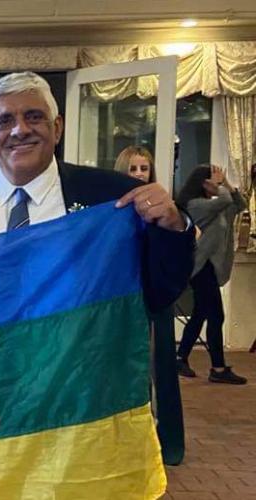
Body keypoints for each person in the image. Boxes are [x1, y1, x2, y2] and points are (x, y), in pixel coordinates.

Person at [0, 71, 195, 314]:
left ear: (56, 128)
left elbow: (162, 291)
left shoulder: (114, 196)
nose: (20, 130)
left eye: (34, 117)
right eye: (5, 121)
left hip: (82, 351)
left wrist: (173, 227)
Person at [116, 145, 185, 465]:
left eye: (144, 168)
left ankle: (163, 437)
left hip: (153, 300)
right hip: (122, 301)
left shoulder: (163, 207)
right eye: (133, 168)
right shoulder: (113, 208)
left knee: (158, 370)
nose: (139, 174)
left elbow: (187, 238)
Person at [175, 165, 247, 384]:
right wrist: (219, 186)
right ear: (203, 183)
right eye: (213, 179)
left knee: (200, 314)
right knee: (216, 315)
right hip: (200, 268)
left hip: (211, 267)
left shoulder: (217, 207)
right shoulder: (196, 205)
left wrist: (226, 184)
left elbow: (240, 204)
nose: (217, 182)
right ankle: (218, 368)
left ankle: (180, 358)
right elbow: (224, 200)